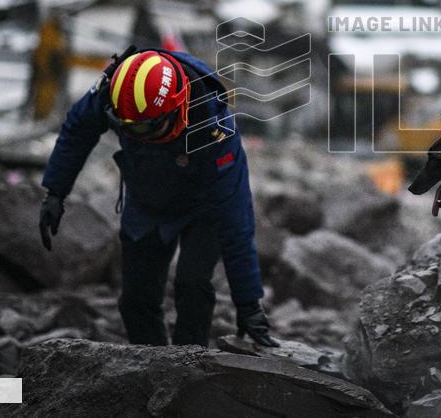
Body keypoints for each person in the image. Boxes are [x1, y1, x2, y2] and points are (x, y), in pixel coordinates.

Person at [38, 46, 277, 347]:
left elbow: (235, 219)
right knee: (135, 301)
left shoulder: (215, 132)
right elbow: (78, 128)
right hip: (147, 197)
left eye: (143, 128)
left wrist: (248, 303)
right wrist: (55, 192)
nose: (136, 137)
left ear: (176, 107)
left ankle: (190, 363)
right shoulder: (117, 92)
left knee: (193, 286)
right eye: (126, 128)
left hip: (202, 207)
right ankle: (150, 364)